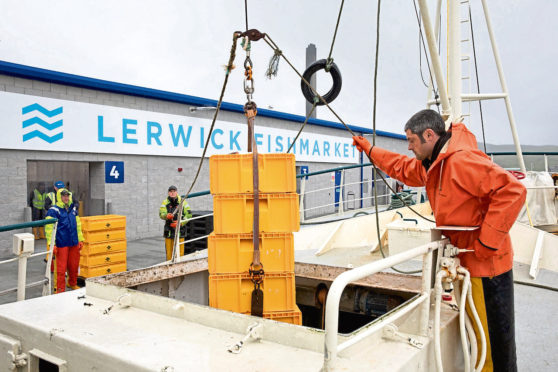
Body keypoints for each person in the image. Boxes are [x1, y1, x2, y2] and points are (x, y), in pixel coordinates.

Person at [352, 109, 526, 372]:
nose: (409, 147)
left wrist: (487, 243)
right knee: (477, 335)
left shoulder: (461, 161)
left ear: (429, 135)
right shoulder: (435, 164)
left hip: (487, 266)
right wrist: (369, 150)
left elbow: (512, 190)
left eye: (411, 141)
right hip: (468, 261)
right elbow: (401, 167)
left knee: (493, 342)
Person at [45, 189, 84, 293]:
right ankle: (59, 289)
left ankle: (72, 283)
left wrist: (80, 239)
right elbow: (49, 229)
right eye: (63, 196)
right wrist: (51, 244)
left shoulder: (73, 209)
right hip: (61, 243)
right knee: (61, 269)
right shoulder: (53, 210)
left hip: (74, 242)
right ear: (59, 197)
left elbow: (78, 225)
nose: (66, 198)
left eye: (67, 196)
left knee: (74, 266)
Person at [159, 185, 192, 261]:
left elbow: (189, 214)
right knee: (169, 254)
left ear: (177, 192)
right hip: (169, 231)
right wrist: (166, 216)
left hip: (180, 231)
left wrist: (180, 223)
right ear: (168, 193)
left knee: (180, 254)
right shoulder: (165, 202)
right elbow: (161, 214)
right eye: (171, 191)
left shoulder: (183, 202)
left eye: (174, 191)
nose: (172, 193)